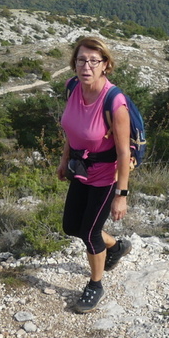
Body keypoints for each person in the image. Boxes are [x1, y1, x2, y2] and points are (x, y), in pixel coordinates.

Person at [58, 36, 132, 313]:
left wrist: (121, 195)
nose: (86, 66)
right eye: (81, 60)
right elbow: (71, 130)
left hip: (104, 176)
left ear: (105, 65)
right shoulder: (72, 88)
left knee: (89, 234)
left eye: (93, 61)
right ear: (74, 63)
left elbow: (124, 153)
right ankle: (115, 246)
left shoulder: (115, 102)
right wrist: (64, 160)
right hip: (79, 170)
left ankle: (95, 284)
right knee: (71, 227)